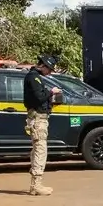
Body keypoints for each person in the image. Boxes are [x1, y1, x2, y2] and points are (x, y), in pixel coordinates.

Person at [23, 54, 62, 196]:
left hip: (39, 118)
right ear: (43, 66)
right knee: (40, 150)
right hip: (37, 119)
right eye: (49, 69)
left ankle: (36, 184)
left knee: (38, 149)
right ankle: (36, 185)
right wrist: (51, 92)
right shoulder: (33, 77)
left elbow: (39, 97)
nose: (50, 72)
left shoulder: (36, 77)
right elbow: (39, 97)